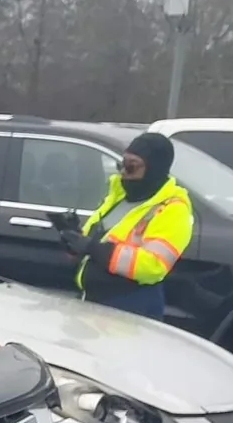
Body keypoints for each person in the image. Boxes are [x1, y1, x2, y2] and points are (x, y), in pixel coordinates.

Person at [59, 131, 194, 319]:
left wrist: (93, 248)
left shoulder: (173, 209)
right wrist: (75, 240)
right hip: (95, 300)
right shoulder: (120, 197)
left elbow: (153, 266)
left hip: (132, 305)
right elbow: (96, 242)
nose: (123, 172)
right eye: (121, 164)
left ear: (154, 168)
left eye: (132, 166)